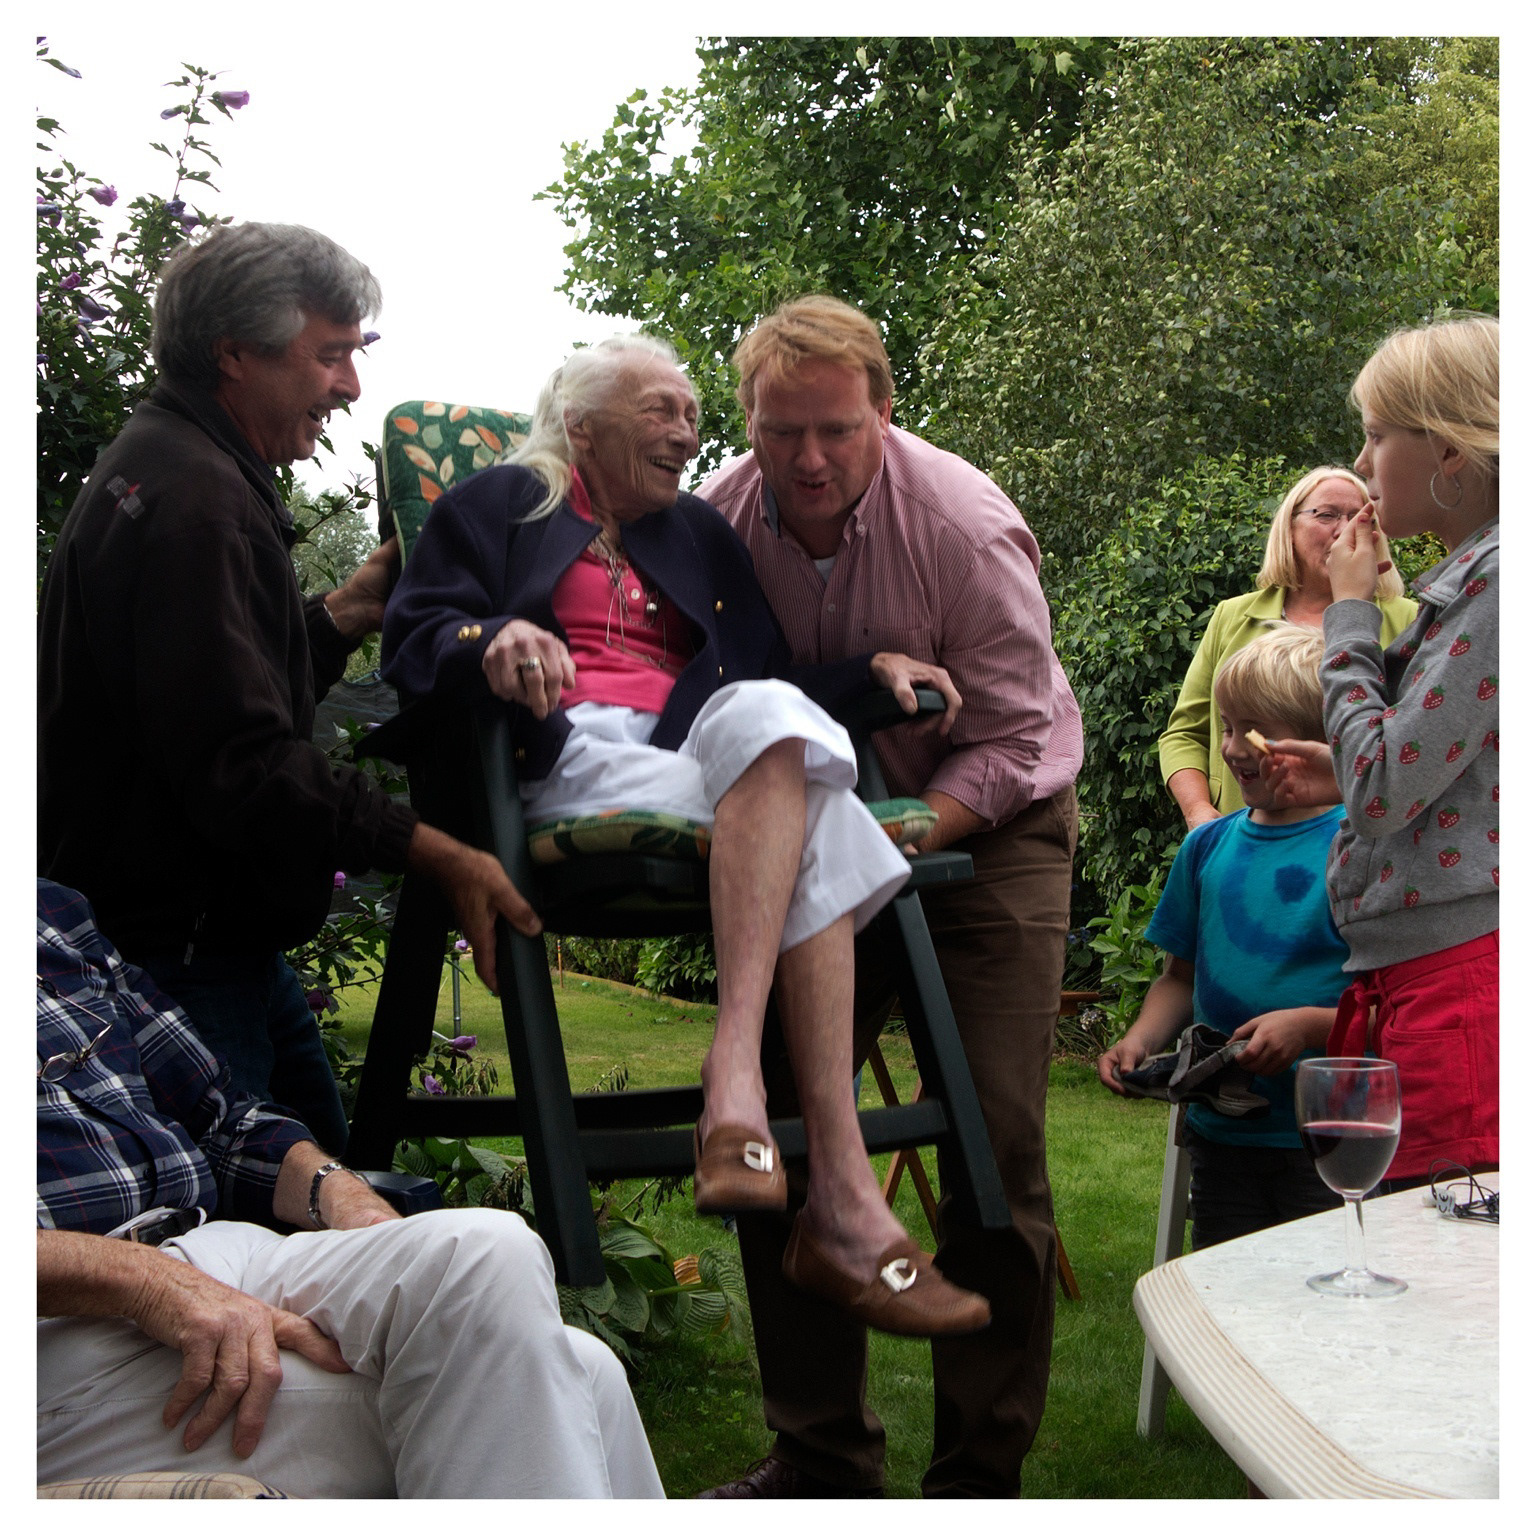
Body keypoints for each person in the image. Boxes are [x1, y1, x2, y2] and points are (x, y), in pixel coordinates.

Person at [381, 334, 988, 1338]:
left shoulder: (697, 532)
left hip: (693, 760)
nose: (687, 430)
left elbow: (768, 681)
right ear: (582, 427)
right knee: (825, 813)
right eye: (660, 409)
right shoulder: (496, 504)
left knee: (774, 730)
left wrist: (870, 670)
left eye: (692, 412)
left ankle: (740, 1090)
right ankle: (840, 1196)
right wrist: (492, 637)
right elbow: (414, 640)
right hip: (564, 759)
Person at [37, 222, 538, 1155]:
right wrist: (442, 851)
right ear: (235, 352)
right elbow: (242, 764)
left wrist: (345, 612)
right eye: (330, 354)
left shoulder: (171, 462)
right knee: (263, 1227)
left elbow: (201, 697)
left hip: (210, 945)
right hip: (176, 965)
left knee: (338, 1192)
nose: (351, 386)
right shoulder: (199, 505)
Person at [698, 295, 1082, 1499]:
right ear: (749, 423)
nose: (808, 459)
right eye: (780, 432)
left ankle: (978, 1480)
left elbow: (1018, 737)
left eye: (836, 430)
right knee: (780, 1128)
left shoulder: (963, 527)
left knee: (993, 1142)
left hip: (993, 828)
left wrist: (916, 825)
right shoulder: (718, 522)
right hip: (823, 843)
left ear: (883, 411)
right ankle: (820, 1460)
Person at [36, 879, 662, 1499]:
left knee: (486, 1271)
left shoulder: (53, 915)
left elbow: (220, 1117)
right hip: (61, 1324)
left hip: (204, 1251)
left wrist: (345, 1197)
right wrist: (149, 1284)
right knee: (579, 1376)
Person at [1261, 315, 1498, 1185]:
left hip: (1457, 985)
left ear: (1449, 451)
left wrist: (1351, 612)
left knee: (1433, 1238)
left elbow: (1387, 786)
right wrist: (1339, 770)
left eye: (1375, 436)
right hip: (1426, 975)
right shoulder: (1476, 578)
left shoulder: (1500, 583)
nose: (1362, 463)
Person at [1098, 627, 1346, 1247]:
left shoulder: (1357, 848)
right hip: (1222, 1132)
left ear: (1315, 742)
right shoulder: (1207, 847)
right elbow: (1178, 978)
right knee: (1226, 1281)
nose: (1231, 748)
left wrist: (1308, 1027)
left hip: (1328, 1131)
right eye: (1226, 727)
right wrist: (1139, 1040)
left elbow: (1386, 1000)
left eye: (1251, 731)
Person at [1159, 465, 1418, 831]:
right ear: (1289, 528)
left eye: (1360, 518)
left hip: (1362, 840)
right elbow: (1185, 733)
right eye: (1326, 515)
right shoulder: (1232, 616)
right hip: (1246, 835)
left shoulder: (1407, 619)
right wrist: (1198, 811)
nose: (1344, 530)